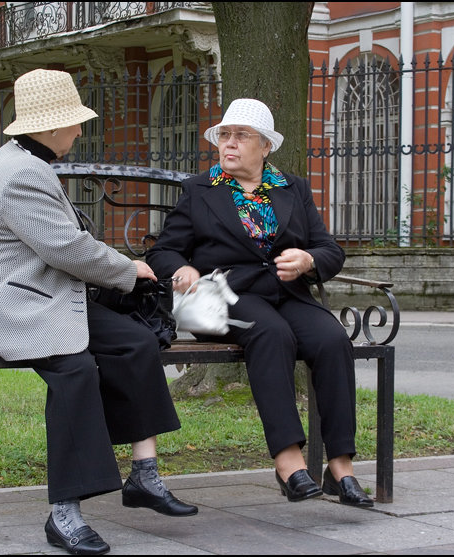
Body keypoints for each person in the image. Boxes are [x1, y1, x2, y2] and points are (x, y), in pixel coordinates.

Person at [0, 68, 197, 556]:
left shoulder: (26, 158)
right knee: (75, 369)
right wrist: (130, 269)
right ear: (48, 127)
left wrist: (120, 268)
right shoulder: (22, 172)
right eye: (73, 122)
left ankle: (144, 477)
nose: (80, 130)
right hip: (11, 304)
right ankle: (64, 513)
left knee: (134, 342)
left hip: (47, 295)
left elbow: (65, 250)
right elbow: (67, 250)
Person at [146, 98, 374, 508]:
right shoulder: (200, 189)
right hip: (225, 297)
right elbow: (163, 251)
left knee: (331, 340)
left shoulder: (293, 189)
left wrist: (307, 260)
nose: (228, 144)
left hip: (287, 294)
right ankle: (288, 462)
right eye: (224, 136)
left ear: (265, 146)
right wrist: (184, 271)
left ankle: (340, 467)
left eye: (241, 136)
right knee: (271, 333)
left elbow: (329, 249)